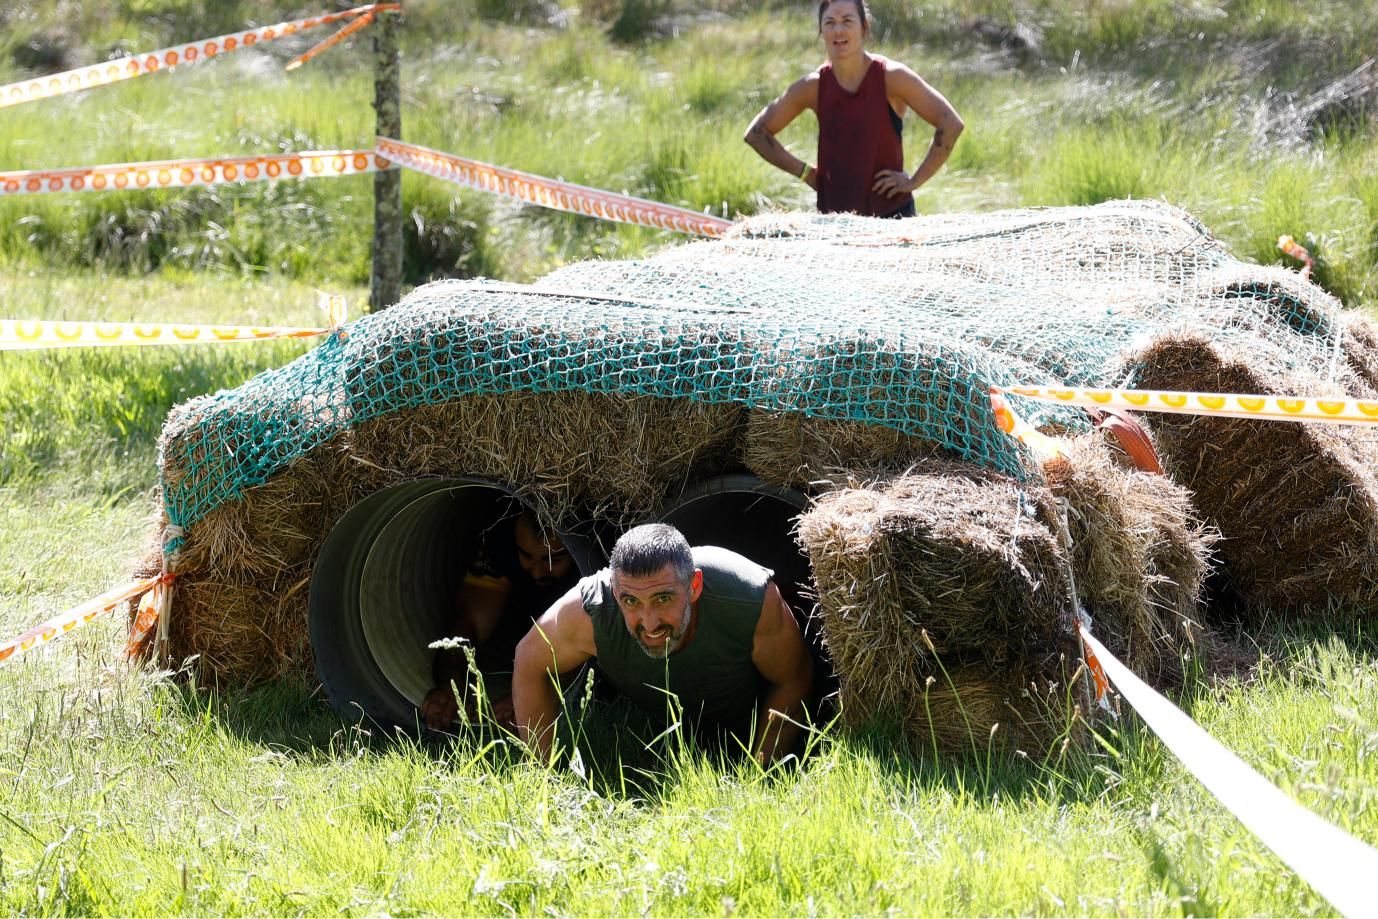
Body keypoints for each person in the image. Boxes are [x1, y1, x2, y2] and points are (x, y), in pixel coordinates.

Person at [511, 523, 815, 765]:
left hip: (751, 718)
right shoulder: (592, 611)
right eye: (631, 601)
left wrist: (759, 771)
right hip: (657, 739)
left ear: (694, 586)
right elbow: (529, 659)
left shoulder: (746, 595)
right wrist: (543, 775)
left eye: (663, 598)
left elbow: (793, 678)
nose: (650, 621)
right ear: (616, 593)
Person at [743, 0, 964, 218]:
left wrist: (913, 181)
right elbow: (756, 134)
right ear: (821, 31)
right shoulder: (814, 86)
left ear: (864, 28)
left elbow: (950, 123)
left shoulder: (892, 77)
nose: (838, 29)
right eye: (829, 22)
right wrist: (807, 174)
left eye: (847, 20)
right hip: (835, 223)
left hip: (893, 219)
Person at [420, 510, 578, 730]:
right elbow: (469, 627)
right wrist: (450, 685)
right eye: (526, 556)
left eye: (553, 560)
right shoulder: (500, 546)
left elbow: (591, 645)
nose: (537, 572)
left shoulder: (599, 568)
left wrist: (533, 696)